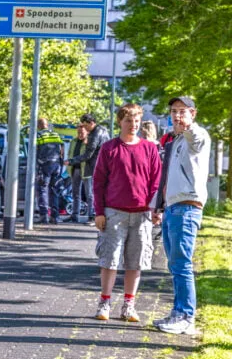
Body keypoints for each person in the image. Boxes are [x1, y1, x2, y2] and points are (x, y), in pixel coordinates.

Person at [92, 103, 162, 323]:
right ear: (120, 122)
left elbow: (155, 182)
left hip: (142, 214)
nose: (133, 125)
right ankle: (105, 302)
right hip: (114, 213)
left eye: (137, 121)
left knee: (136, 262)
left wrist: (155, 208)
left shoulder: (149, 149)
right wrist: (99, 212)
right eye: (128, 121)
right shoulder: (109, 148)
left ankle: (129, 305)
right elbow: (98, 181)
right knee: (109, 260)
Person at [153, 97, 210, 335]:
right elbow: (166, 176)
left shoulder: (196, 136)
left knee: (182, 263)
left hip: (187, 207)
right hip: (172, 207)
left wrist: (188, 126)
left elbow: (195, 139)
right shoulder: (175, 141)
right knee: (175, 264)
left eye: (183, 112)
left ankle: (186, 316)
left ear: (193, 113)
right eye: (174, 111)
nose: (177, 116)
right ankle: (179, 312)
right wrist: (159, 206)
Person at [66, 113, 109, 222]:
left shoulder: (94, 134)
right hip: (83, 167)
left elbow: (88, 154)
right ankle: (79, 215)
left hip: (89, 167)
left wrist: (71, 161)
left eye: (85, 126)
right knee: (79, 193)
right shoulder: (101, 131)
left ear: (91, 123)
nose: (83, 129)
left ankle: (92, 215)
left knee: (91, 193)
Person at [34, 118, 65, 225]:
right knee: (54, 190)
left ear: (39, 126)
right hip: (56, 165)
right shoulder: (56, 135)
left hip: (44, 165)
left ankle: (44, 216)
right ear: (47, 125)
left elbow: (35, 151)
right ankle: (55, 216)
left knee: (42, 189)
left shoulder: (38, 135)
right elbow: (62, 150)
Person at [64, 124, 91, 223]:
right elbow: (70, 153)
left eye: (82, 132)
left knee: (89, 194)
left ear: (87, 132)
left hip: (86, 170)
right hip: (75, 169)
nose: (80, 134)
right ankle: (75, 215)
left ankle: (90, 215)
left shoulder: (89, 142)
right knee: (75, 193)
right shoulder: (74, 141)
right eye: (78, 132)